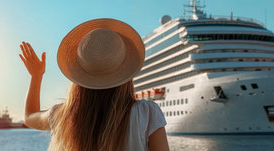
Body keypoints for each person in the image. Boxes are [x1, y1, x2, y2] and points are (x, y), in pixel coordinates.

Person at [19, 18, 169, 151]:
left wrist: (36, 75)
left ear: (79, 76)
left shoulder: (62, 116)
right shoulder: (146, 113)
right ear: (126, 73)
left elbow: (29, 116)